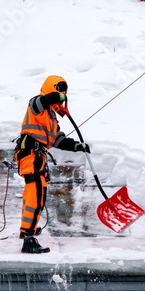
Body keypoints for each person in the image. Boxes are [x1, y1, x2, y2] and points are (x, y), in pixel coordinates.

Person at [14, 75, 90, 254]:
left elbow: (58, 140)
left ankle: (29, 230)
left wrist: (77, 146)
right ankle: (28, 238)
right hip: (30, 155)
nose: (62, 95)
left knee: (38, 195)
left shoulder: (51, 117)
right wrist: (59, 97)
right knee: (35, 195)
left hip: (38, 157)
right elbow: (45, 100)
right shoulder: (37, 105)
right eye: (59, 90)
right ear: (52, 89)